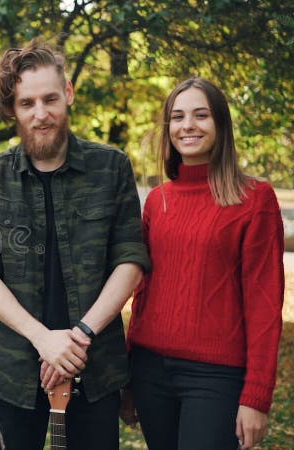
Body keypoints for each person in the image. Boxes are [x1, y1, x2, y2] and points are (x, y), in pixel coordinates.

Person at [0, 39, 151, 450]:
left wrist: (79, 336)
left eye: (50, 99)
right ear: (14, 108)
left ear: (68, 95)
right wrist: (43, 339)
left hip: (94, 365)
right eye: (27, 103)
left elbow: (130, 258)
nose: (40, 113)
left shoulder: (110, 167)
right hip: (15, 369)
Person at [123, 77, 284, 450]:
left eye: (201, 115)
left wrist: (256, 396)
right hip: (150, 372)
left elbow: (264, 305)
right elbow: (143, 294)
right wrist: (129, 375)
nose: (187, 126)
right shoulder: (158, 200)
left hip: (216, 377)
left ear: (220, 125)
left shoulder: (254, 198)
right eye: (177, 117)